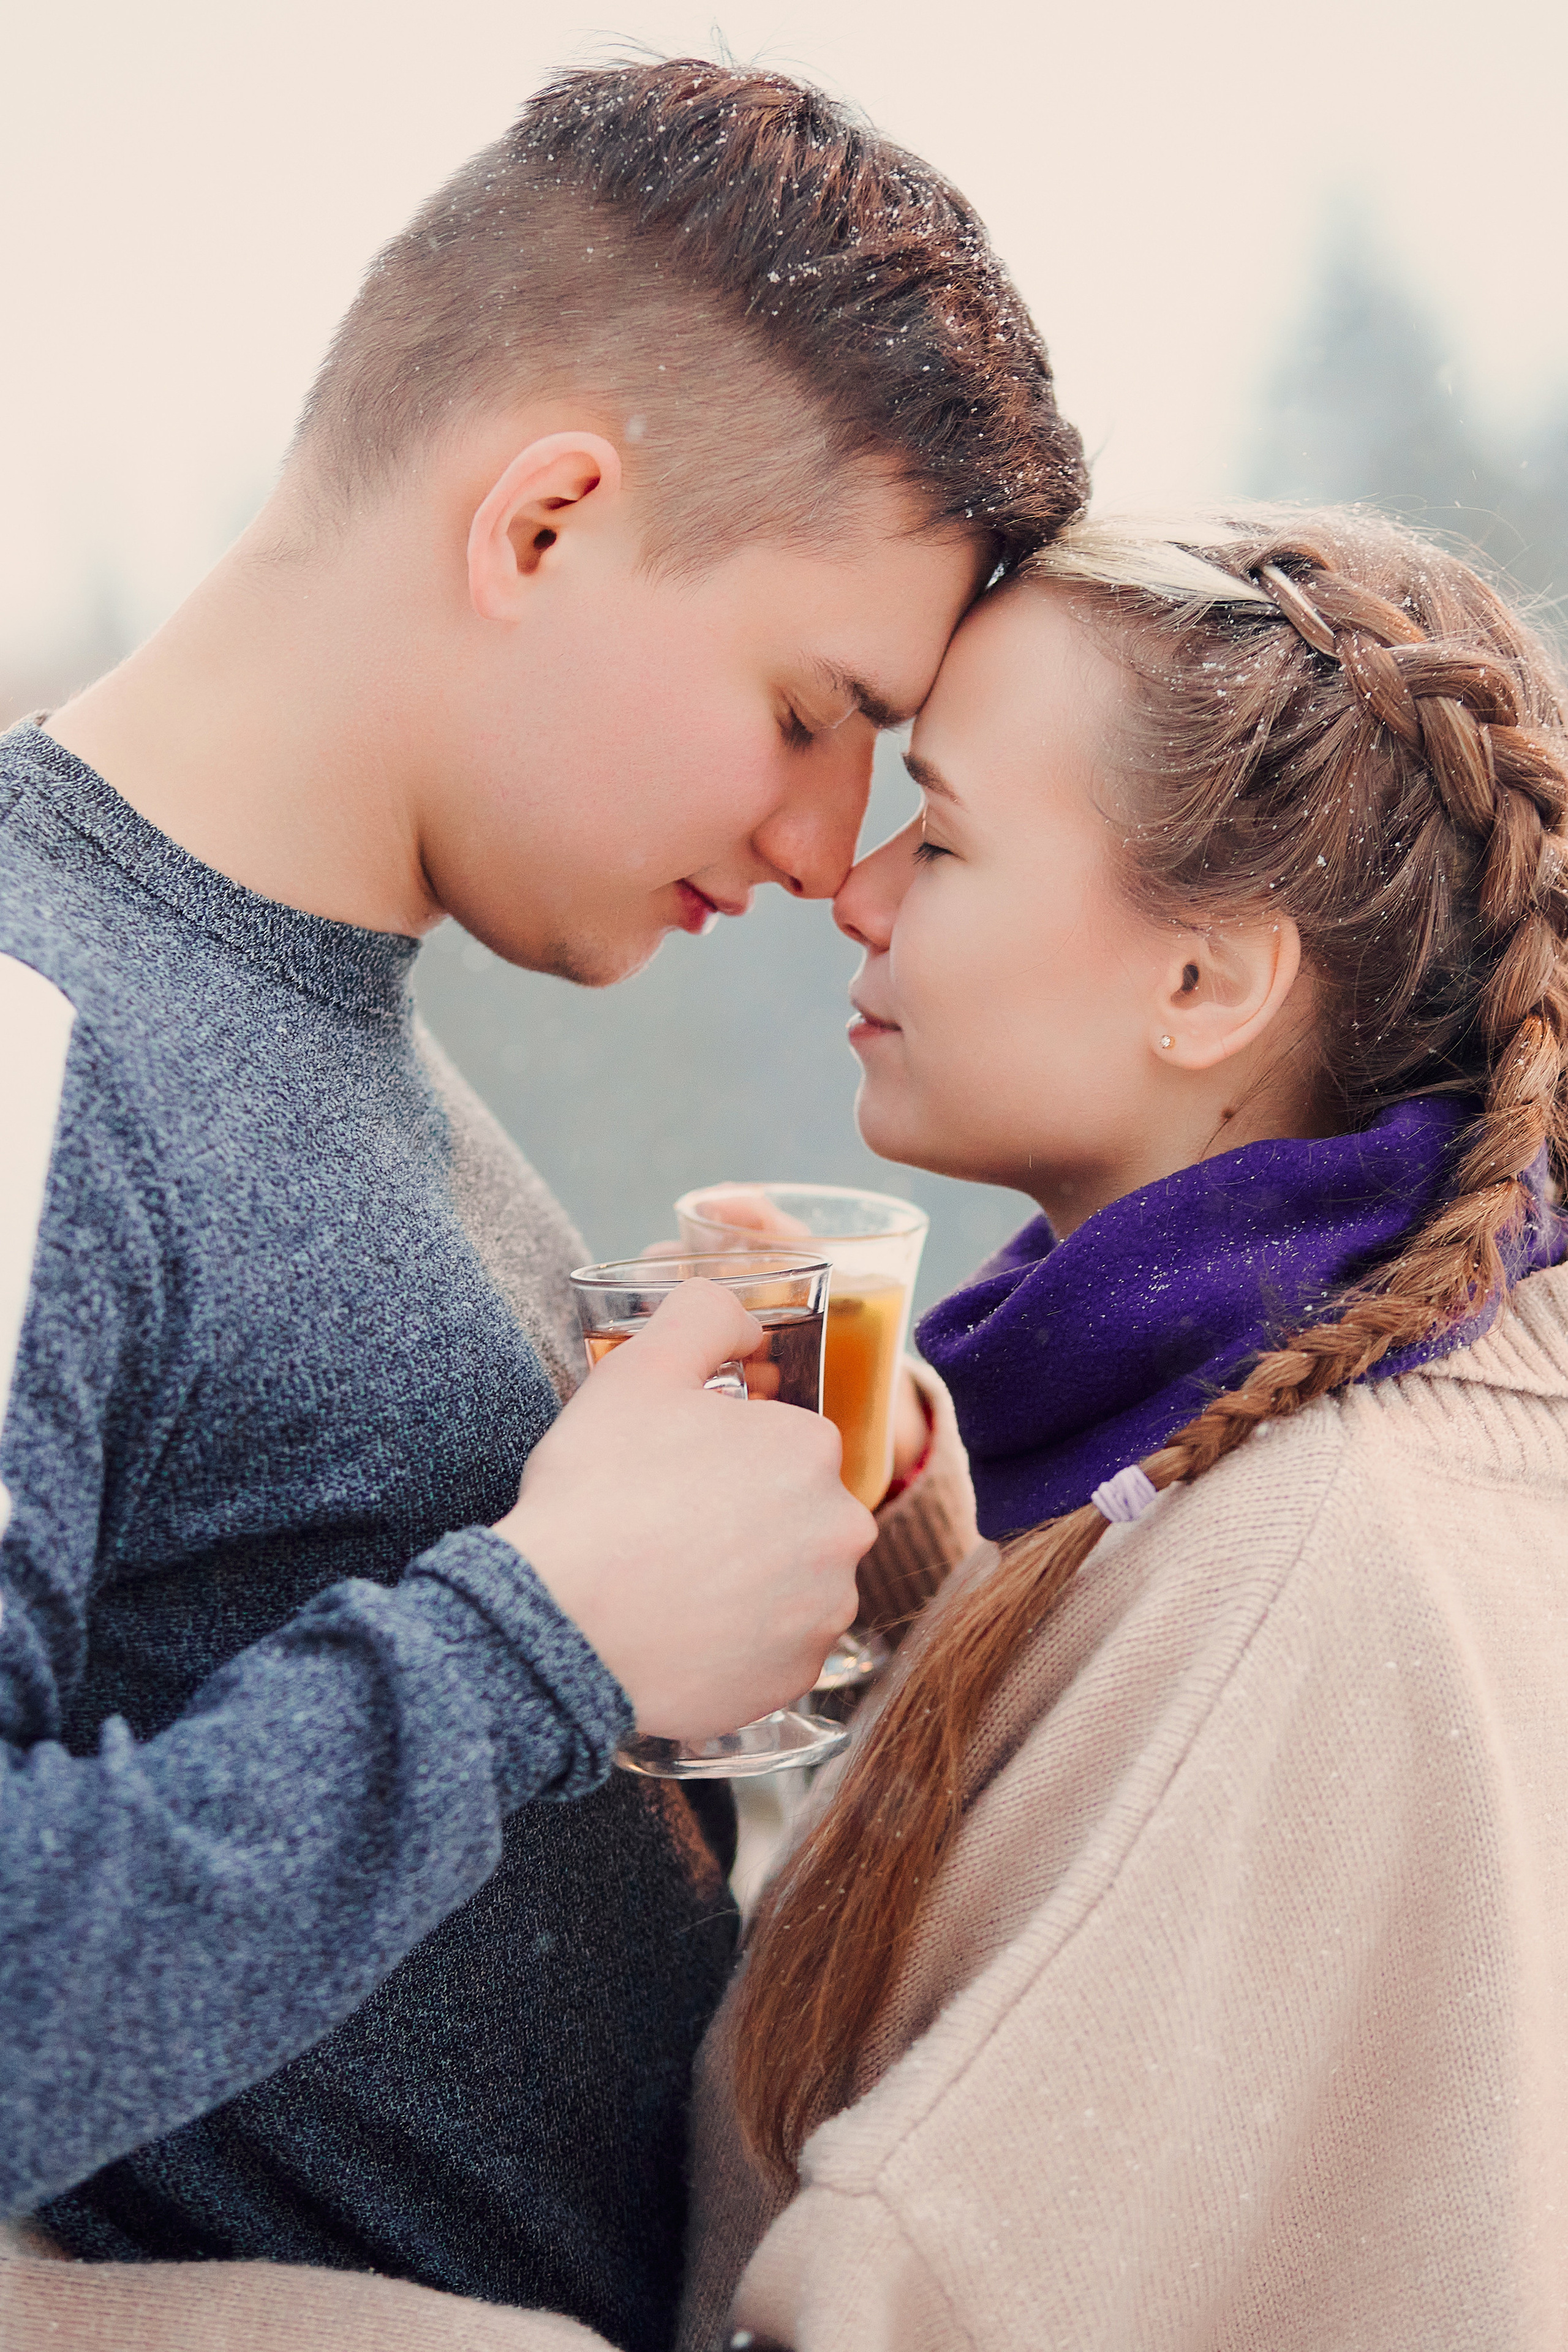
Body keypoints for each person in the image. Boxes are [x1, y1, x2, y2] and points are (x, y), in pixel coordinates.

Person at [20, 502, 1566, 2351]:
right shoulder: (1294, 1433)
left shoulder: (1304, 1577)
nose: (859, 881)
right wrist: (908, 1561)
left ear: (1204, 983)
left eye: (949, 831)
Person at [0, 53, 1084, 2349]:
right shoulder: (20, 1030)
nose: (823, 853)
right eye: (812, 709)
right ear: (547, 522)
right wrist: (545, 1636)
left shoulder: (359, 1045)